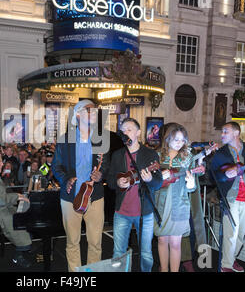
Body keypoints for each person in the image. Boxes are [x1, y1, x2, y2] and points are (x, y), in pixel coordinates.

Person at [51, 99, 110, 272]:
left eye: (95, 110)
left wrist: (101, 175)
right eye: (89, 110)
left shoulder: (102, 139)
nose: (94, 113)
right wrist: (65, 179)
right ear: (77, 114)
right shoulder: (65, 139)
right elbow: (56, 166)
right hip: (70, 198)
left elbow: (106, 165)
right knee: (72, 242)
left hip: (95, 197)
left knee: (95, 243)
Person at [209, 121, 245, 272]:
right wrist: (226, 175)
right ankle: (226, 265)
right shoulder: (221, 153)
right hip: (230, 198)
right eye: (222, 132)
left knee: (240, 234)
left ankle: (231, 258)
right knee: (230, 234)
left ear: (236, 133)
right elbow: (212, 176)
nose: (222, 135)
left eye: (225, 132)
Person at [106, 118, 162, 272]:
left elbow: (158, 183)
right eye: (122, 130)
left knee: (145, 253)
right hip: (121, 212)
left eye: (129, 129)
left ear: (138, 133)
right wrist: (117, 183)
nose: (125, 133)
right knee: (118, 253)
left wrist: (150, 179)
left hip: (144, 213)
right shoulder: (117, 154)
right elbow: (110, 179)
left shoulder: (150, 154)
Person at [154, 123, 196, 272]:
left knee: (176, 243)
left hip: (180, 204)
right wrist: (159, 176)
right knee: (162, 240)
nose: (179, 143)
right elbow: (151, 182)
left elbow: (193, 187)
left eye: (182, 140)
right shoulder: (158, 155)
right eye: (176, 139)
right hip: (161, 203)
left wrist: (191, 183)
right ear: (167, 139)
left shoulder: (188, 157)